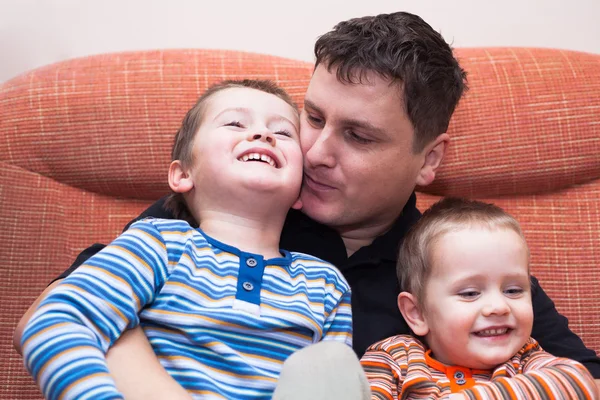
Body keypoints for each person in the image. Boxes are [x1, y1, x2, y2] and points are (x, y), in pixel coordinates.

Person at [15, 10, 600, 391]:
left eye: (358, 136)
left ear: (429, 161)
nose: (315, 151)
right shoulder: (238, 204)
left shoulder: (457, 260)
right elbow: (62, 301)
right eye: (313, 117)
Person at [20, 79, 353, 400]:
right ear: (182, 175)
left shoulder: (327, 284)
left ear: (300, 190)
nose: (263, 134)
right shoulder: (156, 244)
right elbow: (58, 320)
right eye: (235, 123)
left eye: (282, 132)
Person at [360, 198, 599, 399]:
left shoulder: (526, 359)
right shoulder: (394, 357)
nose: (498, 306)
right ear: (417, 313)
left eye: (513, 290)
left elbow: (580, 383)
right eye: (470, 293)